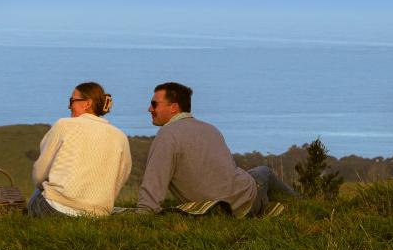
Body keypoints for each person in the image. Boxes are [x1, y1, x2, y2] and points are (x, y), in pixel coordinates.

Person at [137, 82, 298, 217]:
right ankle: (302, 203)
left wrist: (145, 210)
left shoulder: (167, 135)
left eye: (154, 104)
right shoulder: (210, 129)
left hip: (225, 207)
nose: (149, 109)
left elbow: (154, 180)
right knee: (264, 172)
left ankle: (302, 204)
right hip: (245, 202)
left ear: (174, 108)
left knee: (261, 173)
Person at [29, 82, 132, 217]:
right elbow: (121, 176)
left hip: (57, 209)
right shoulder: (120, 136)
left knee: (37, 195)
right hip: (98, 213)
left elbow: (39, 175)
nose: (69, 106)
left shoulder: (64, 125)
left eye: (72, 101)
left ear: (87, 103)